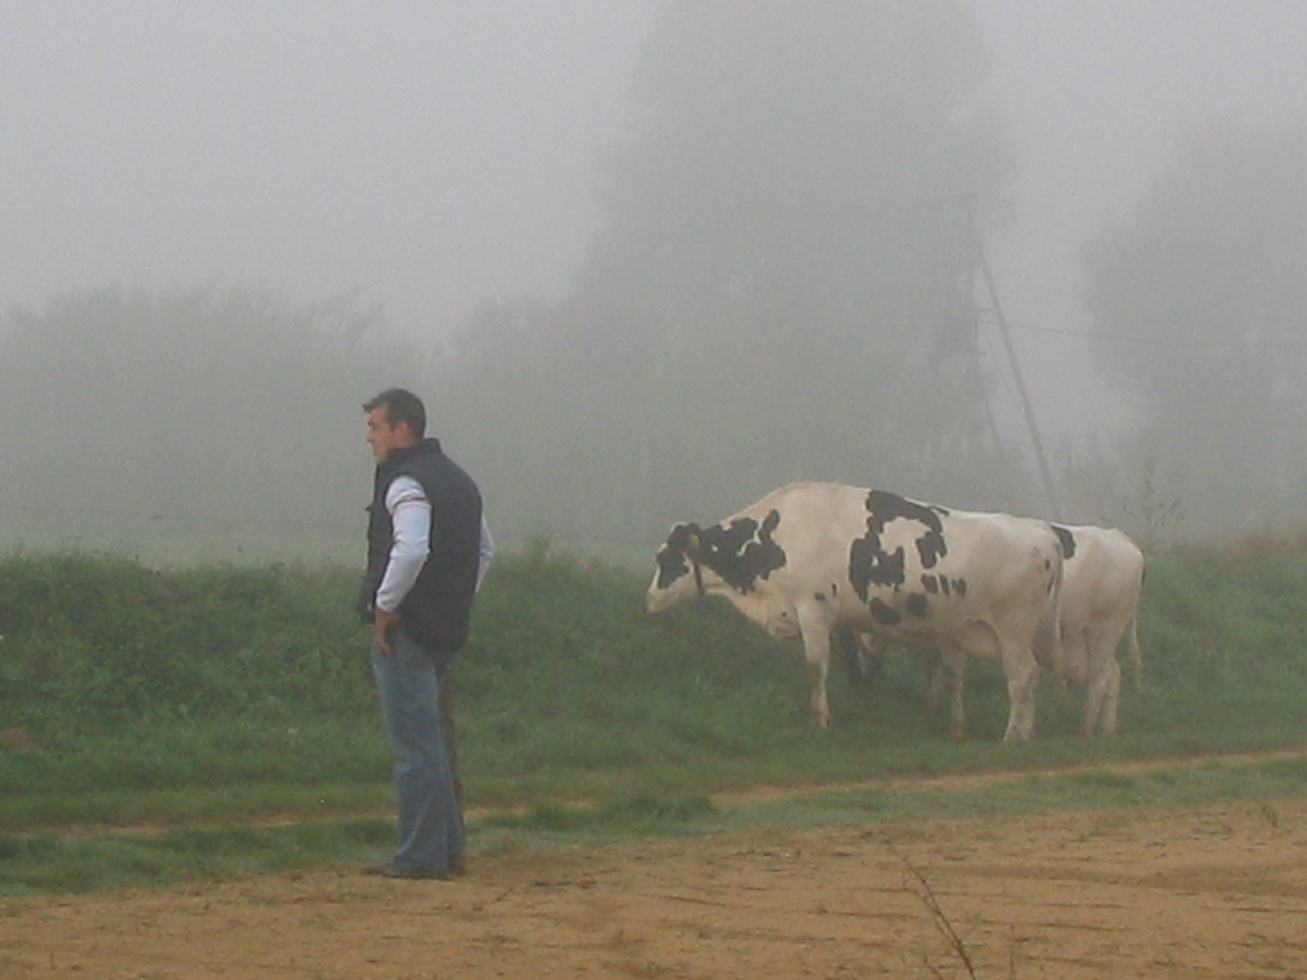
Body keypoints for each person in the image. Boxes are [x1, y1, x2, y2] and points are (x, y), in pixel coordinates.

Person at [356, 388, 494, 879]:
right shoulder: (459, 481)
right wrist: (455, 600)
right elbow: (484, 551)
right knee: (433, 740)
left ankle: (419, 856)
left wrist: (385, 607)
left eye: (375, 426)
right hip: (445, 627)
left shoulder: (405, 483)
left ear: (402, 430)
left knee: (415, 748)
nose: (369, 436)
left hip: (408, 630)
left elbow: (411, 549)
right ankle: (448, 849)